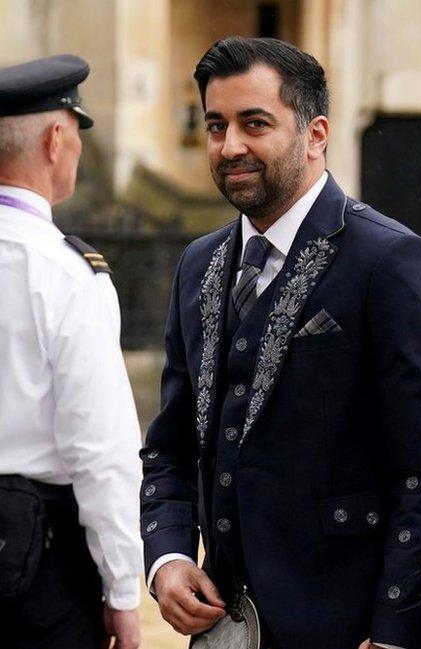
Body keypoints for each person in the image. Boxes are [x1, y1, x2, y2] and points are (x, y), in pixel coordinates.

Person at [141, 37, 421, 649]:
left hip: (348, 628)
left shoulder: (391, 261)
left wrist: (397, 634)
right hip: (224, 629)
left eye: (254, 123)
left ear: (315, 135)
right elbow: (171, 449)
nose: (230, 146)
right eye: (216, 125)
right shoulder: (197, 264)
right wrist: (168, 559)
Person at [0, 55, 142, 649]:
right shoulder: (64, 272)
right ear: (57, 138)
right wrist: (124, 590)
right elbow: (100, 449)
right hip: (34, 562)